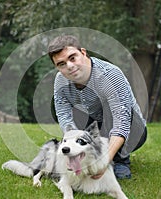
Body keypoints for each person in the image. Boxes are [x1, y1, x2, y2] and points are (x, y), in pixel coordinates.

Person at [48, 35, 147, 179]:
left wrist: (104, 162)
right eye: (61, 64)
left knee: (109, 107)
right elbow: (64, 117)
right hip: (98, 127)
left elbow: (122, 123)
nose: (69, 66)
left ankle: (120, 160)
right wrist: (75, 150)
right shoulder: (60, 81)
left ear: (83, 52)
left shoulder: (110, 75)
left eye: (72, 58)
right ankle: (93, 155)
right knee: (76, 111)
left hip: (133, 131)